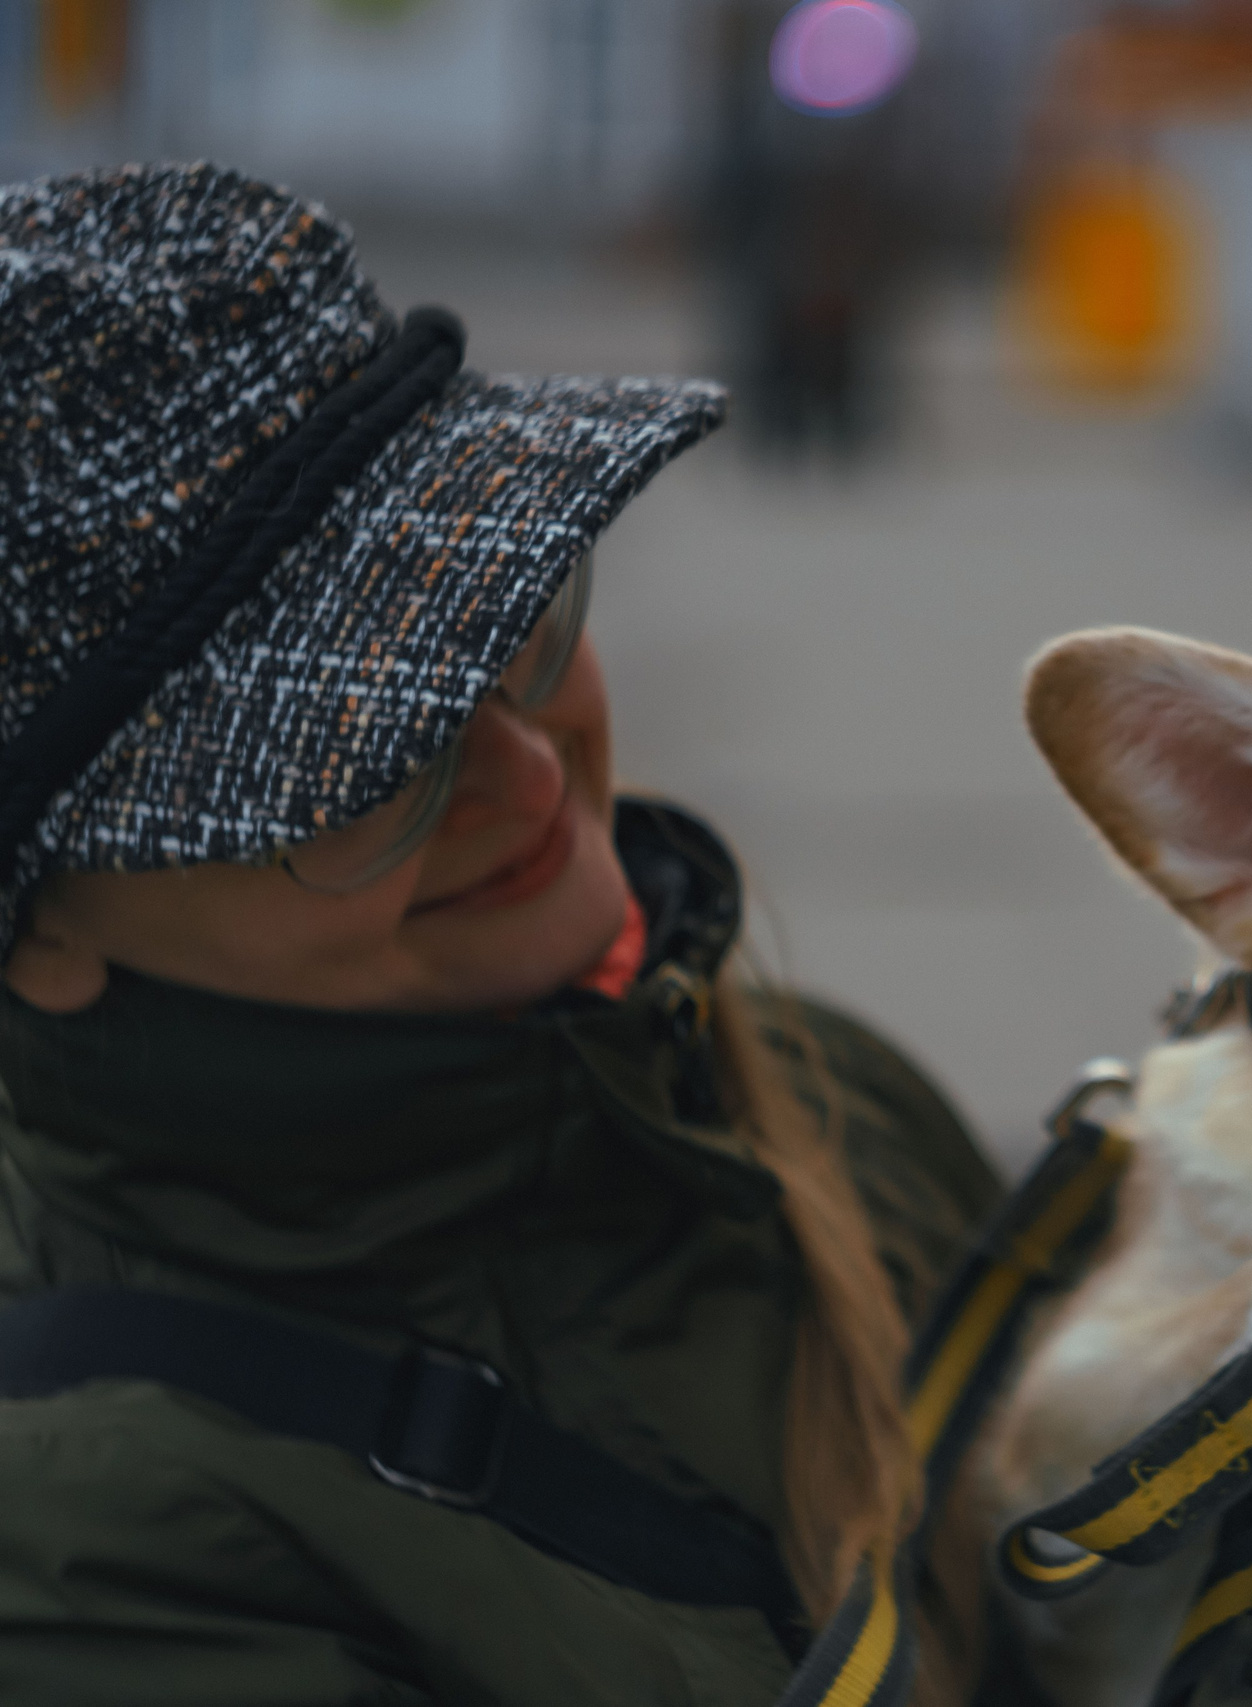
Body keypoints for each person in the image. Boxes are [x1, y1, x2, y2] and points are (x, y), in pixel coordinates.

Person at [0, 162, 1000, 1705]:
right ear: (38, 940)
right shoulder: (90, 1555)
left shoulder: (818, 1098)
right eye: (353, 763)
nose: (524, 770)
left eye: (514, 630)